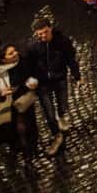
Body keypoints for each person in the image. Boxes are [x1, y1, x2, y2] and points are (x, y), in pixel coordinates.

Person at [26, 17, 80, 156]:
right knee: (49, 113)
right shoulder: (33, 47)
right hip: (43, 84)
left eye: (45, 32)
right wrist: (31, 78)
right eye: (39, 34)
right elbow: (30, 65)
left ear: (51, 28)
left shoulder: (63, 41)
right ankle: (57, 135)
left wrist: (77, 76)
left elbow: (70, 60)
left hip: (60, 78)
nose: (43, 36)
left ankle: (62, 117)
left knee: (62, 105)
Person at [0, 44, 40, 167]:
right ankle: (24, 152)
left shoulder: (23, 62)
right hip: (8, 106)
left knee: (26, 129)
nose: (16, 54)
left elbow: (34, 74)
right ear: (3, 59)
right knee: (18, 131)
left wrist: (32, 83)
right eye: (11, 53)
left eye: (15, 51)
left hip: (23, 103)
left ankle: (29, 153)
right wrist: (2, 94)